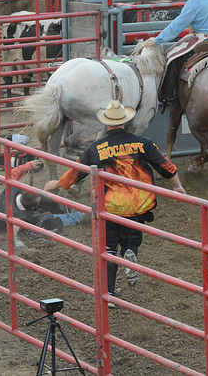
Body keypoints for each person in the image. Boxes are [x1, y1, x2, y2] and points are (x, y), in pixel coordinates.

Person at [44, 100, 186, 303]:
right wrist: (177, 187)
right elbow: (165, 166)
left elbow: (78, 172)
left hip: (110, 206)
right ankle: (130, 253)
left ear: (106, 124)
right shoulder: (142, 142)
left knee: (108, 248)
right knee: (131, 240)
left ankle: (109, 294)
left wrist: (58, 183)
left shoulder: (96, 148)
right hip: (138, 204)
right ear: (125, 121)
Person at [0, 159, 89, 253]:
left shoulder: (12, 188)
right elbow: (14, 229)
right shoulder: (22, 217)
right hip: (0, 223)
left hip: (2, 212)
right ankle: (78, 217)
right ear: (33, 208)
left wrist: (29, 166)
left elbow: (13, 173)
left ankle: (65, 207)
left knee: (46, 201)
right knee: (49, 220)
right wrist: (16, 242)